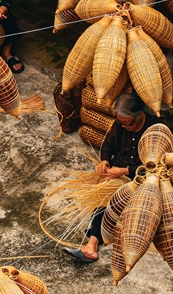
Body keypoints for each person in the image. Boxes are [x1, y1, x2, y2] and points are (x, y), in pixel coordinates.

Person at [65, 92, 158, 263]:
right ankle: (93, 242)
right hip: (116, 171)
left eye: (126, 123)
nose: (122, 126)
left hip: (141, 178)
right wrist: (105, 161)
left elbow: (157, 164)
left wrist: (123, 171)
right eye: (120, 122)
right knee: (104, 193)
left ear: (139, 116)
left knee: (113, 199)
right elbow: (108, 144)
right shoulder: (119, 124)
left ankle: (92, 244)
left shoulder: (155, 128)